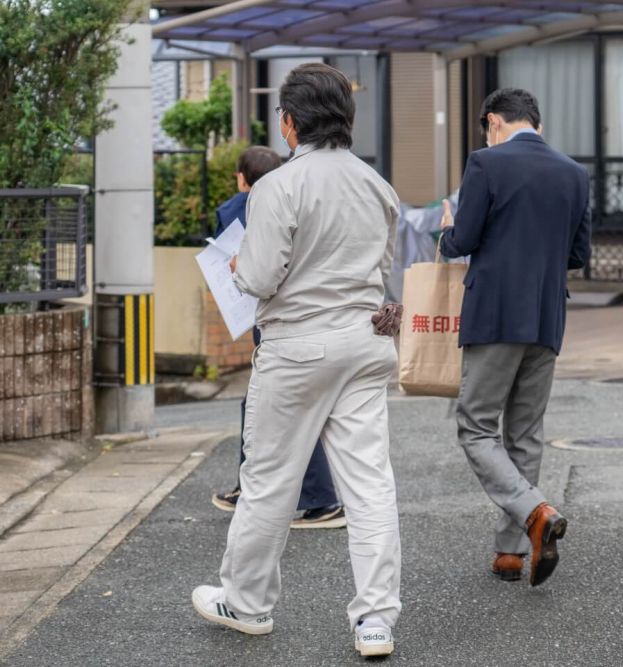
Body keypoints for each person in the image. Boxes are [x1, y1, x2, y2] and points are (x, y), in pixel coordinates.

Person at [191, 63, 403, 658]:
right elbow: (383, 269)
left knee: (269, 480)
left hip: (297, 346)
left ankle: (247, 602)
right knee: (369, 484)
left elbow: (258, 277)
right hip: (364, 344)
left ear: (289, 123)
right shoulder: (376, 185)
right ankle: (375, 621)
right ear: (346, 118)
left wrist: (238, 267)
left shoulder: (277, 187)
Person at [439, 88, 591, 587]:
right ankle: (509, 552)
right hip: (547, 318)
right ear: (537, 124)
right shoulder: (574, 173)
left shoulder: (486, 163)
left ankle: (535, 511)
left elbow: (462, 240)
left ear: (494, 122)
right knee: (524, 433)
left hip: (495, 315)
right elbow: (578, 256)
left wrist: (446, 229)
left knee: (476, 426)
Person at [210, 145, 345, 530]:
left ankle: (318, 499)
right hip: (320, 314)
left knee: (286, 406)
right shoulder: (303, 195)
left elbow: (246, 266)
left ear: (242, 178)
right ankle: (262, 490)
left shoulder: (243, 206)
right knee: (280, 405)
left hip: (277, 321)